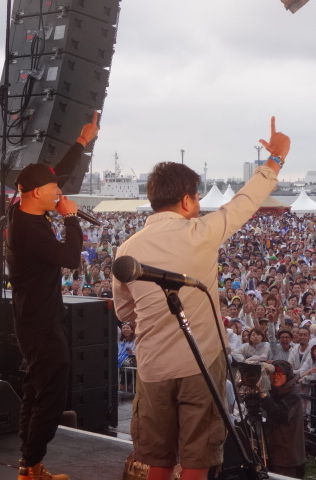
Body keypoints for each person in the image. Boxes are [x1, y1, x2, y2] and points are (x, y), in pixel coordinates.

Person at [112, 117, 289, 480]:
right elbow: (245, 202)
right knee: (198, 456)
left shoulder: (126, 249)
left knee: (156, 457)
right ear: (187, 199)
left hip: (151, 367)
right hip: (200, 364)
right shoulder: (202, 234)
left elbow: (124, 310)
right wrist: (275, 160)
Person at [8, 113, 99, 480]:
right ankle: (31, 464)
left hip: (37, 319)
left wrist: (82, 140)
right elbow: (70, 260)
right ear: (35, 194)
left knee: (36, 388)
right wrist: (72, 219)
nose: (58, 192)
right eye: (52, 190)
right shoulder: (29, 232)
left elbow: (55, 173)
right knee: (49, 394)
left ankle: (29, 464)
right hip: (40, 325)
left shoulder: (25, 210)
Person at [260, 360, 305, 478]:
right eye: (273, 373)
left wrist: (263, 396)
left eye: (280, 373)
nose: (275, 376)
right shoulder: (275, 392)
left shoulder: (293, 395)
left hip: (288, 457)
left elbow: (281, 415)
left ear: (287, 375)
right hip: (274, 453)